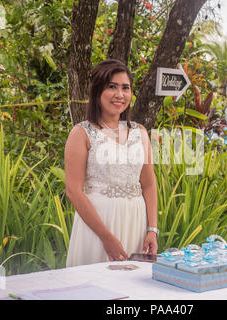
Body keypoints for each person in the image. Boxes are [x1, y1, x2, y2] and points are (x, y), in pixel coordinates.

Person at [64, 59, 158, 266]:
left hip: (135, 221)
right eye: (112, 87)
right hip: (98, 226)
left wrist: (152, 230)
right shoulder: (81, 133)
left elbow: (149, 184)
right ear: (98, 91)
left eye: (125, 88)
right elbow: (73, 191)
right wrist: (106, 238)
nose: (120, 95)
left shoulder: (140, 133)